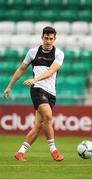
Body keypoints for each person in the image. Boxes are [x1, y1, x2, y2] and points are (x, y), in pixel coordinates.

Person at [3, 26, 64, 161]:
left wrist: (34, 79)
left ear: (55, 39)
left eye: (51, 38)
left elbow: (51, 71)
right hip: (37, 89)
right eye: (46, 38)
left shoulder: (59, 53)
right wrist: (9, 86)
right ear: (42, 37)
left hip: (51, 93)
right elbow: (21, 69)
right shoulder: (33, 52)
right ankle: (54, 151)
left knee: (39, 125)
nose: (48, 41)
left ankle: (20, 152)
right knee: (48, 116)